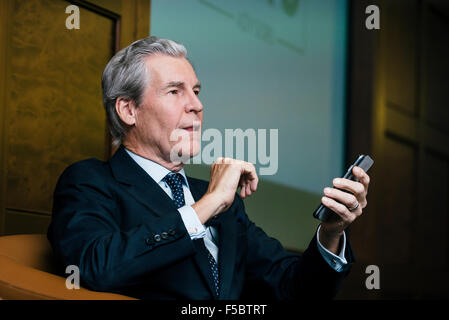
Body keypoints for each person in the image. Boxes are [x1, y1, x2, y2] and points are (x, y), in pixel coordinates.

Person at [47, 36, 370, 300]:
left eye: (196, 91)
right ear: (129, 110)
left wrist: (331, 231)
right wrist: (208, 205)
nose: (197, 105)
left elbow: (296, 289)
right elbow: (94, 268)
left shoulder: (221, 200)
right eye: (175, 91)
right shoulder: (90, 181)